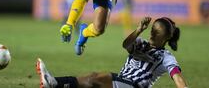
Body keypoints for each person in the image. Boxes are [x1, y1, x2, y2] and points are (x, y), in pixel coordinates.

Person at [36, 17, 189, 88]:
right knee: (94, 78)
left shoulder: (166, 57)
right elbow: (126, 44)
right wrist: (138, 30)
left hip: (135, 86)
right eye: (153, 30)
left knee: (96, 78)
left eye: (157, 33)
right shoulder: (141, 43)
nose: (153, 34)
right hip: (122, 81)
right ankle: (55, 83)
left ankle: (54, 83)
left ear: (166, 38)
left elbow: (177, 77)